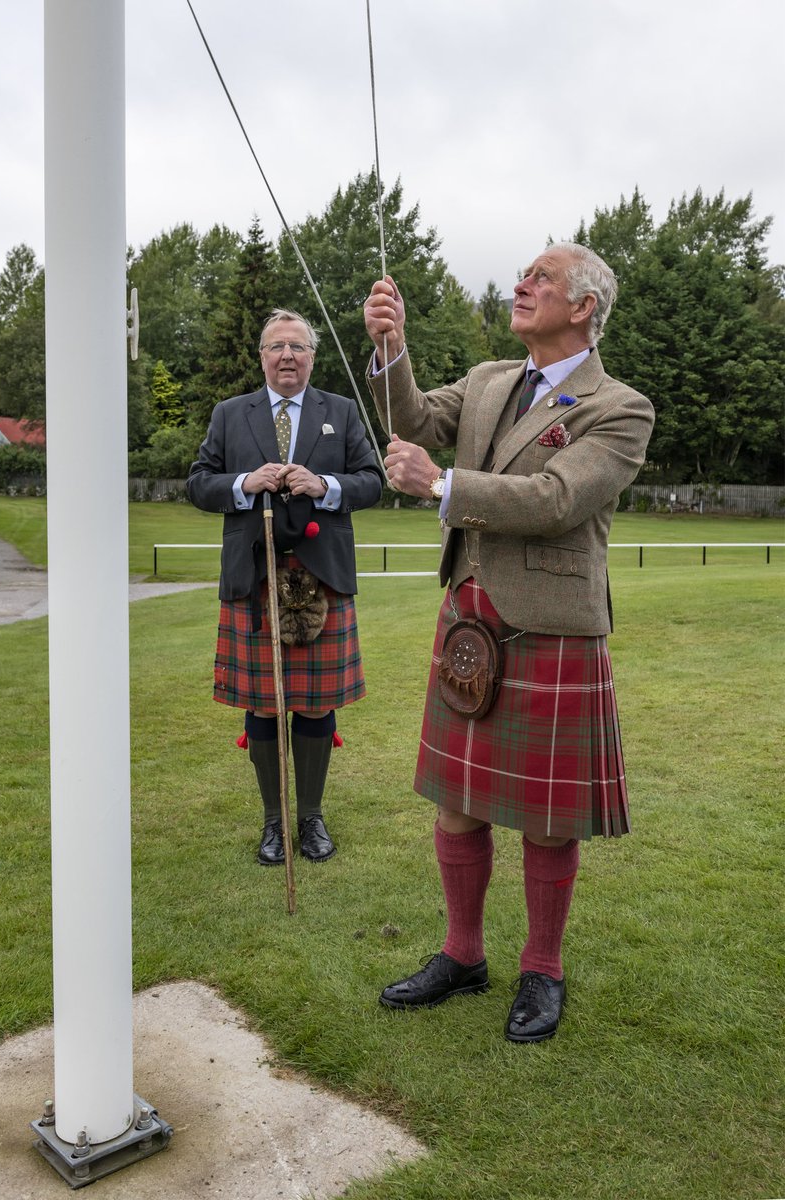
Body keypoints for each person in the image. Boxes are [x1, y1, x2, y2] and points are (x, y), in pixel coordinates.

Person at [363, 243, 654, 1041]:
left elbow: (557, 498)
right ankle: (463, 956)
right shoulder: (492, 379)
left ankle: (542, 969)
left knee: (547, 818)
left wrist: (441, 485)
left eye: (541, 278)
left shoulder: (619, 407)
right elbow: (416, 419)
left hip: (550, 629)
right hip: (468, 620)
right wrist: (392, 348)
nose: (521, 286)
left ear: (585, 305)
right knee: (458, 804)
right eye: (523, 274)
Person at [188, 309, 383, 865]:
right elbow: (199, 483)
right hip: (256, 577)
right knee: (264, 706)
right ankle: (274, 823)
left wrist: (325, 485)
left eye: (298, 346)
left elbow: (373, 482)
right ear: (262, 356)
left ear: (313, 357)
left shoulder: (340, 412)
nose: (288, 356)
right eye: (277, 347)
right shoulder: (231, 415)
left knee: (317, 707)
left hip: (321, 576)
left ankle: (312, 818)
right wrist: (243, 484)